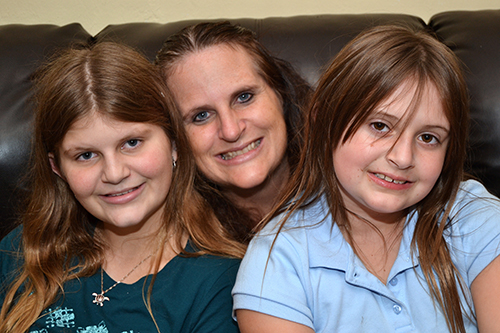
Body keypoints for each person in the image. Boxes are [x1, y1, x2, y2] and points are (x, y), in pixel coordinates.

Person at [232, 25, 500, 333]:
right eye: (380, 126)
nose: (403, 157)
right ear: (324, 119)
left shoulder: (471, 216)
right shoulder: (277, 263)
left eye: (428, 137)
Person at [0, 42, 243, 332]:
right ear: (58, 169)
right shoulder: (22, 252)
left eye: (132, 143)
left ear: (174, 144)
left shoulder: (218, 281)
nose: (114, 174)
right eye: (86, 155)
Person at [155, 21, 312, 243]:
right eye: (201, 116)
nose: (231, 131)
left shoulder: (354, 194)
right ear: (175, 140)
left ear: (280, 93)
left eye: (244, 97)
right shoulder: (176, 247)